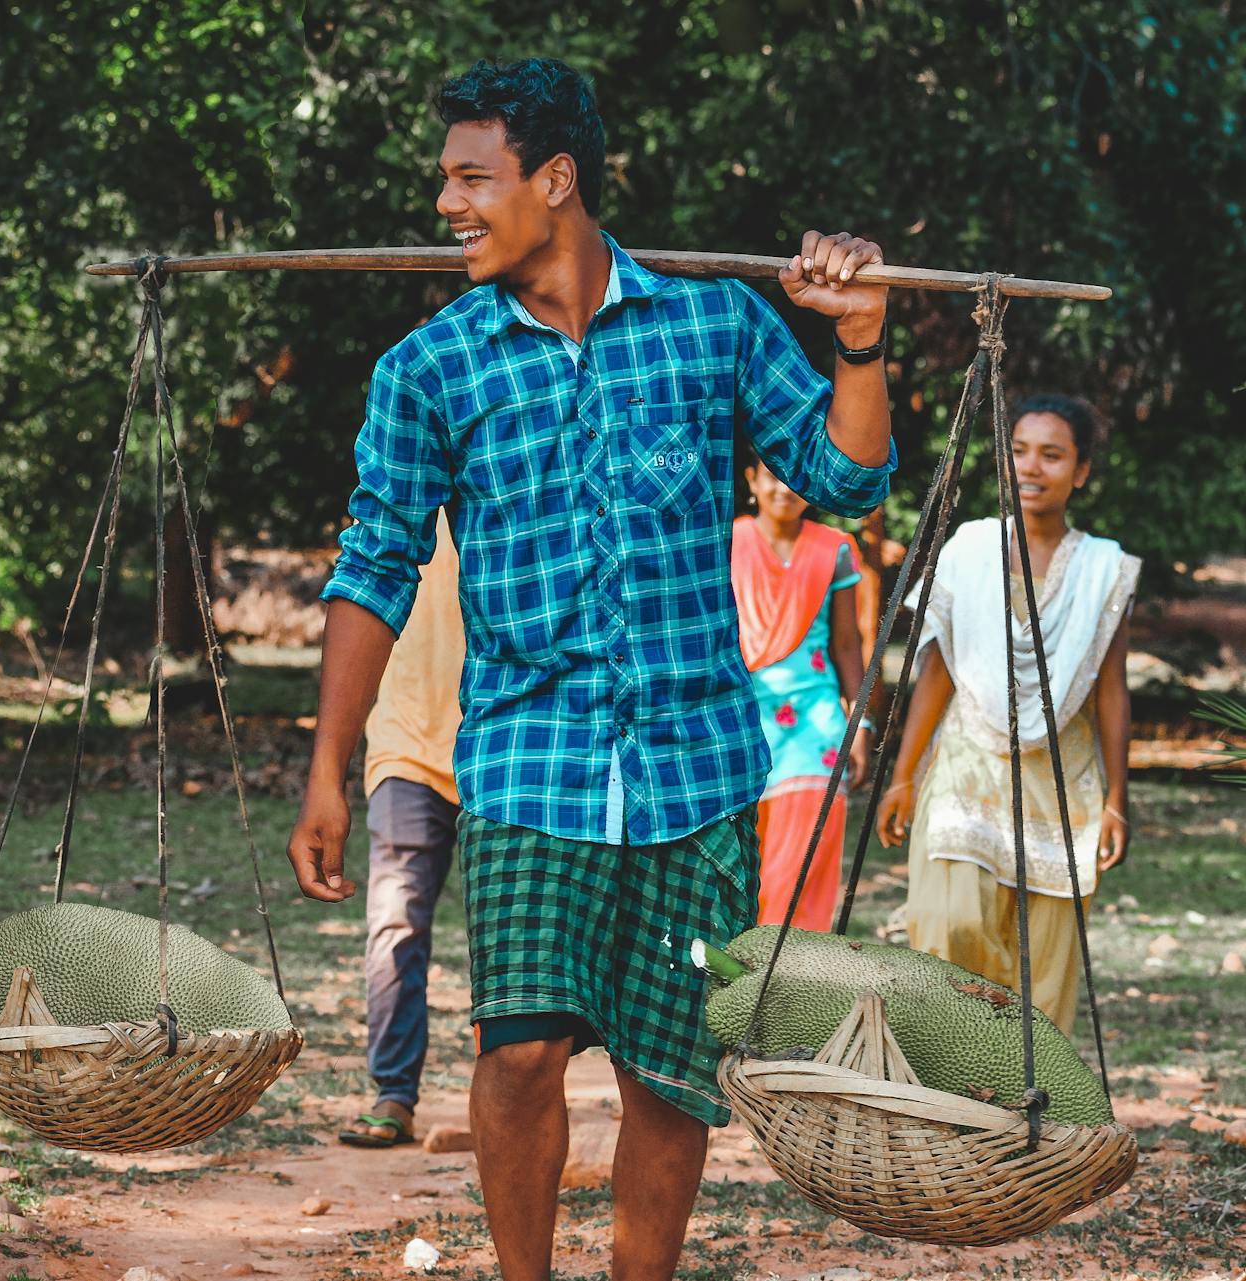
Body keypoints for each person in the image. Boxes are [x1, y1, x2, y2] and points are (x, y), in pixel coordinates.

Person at [284, 57, 894, 1281]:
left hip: (697, 772)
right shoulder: (432, 369)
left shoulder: (713, 325)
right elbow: (373, 569)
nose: (448, 205)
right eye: (446, 181)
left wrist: (862, 345)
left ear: (554, 180)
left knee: (671, 1073)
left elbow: (845, 479)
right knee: (515, 1050)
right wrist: (328, 769)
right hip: (526, 759)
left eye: (473, 178)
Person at [876, 394, 1138, 1035]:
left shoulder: (1104, 568)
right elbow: (937, 668)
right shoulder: (968, 549)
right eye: (1018, 451)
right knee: (948, 926)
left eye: (1052, 455)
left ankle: (1027, 1107)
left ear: (1080, 472)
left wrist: (1118, 799)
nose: (1030, 467)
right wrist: (903, 775)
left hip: (1061, 780)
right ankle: (946, 1076)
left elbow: (1111, 688)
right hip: (966, 762)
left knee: (1043, 964)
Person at [338, 511, 464, 1149]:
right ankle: (393, 1093)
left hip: (508, 746)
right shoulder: (395, 486)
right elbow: (358, 603)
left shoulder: (518, 453)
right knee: (396, 919)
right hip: (406, 746)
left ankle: (508, 1091)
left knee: (508, 936)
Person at [730, 460, 870, 930]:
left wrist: (861, 724)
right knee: (748, 869)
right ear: (752, 481)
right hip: (742, 725)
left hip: (817, 730)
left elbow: (848, 645)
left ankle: (789, 981)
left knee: (798, 872)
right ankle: (742, 985)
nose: (783, 489)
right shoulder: (726, 542)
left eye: (793, 478)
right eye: (770, 476)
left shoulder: (836, 550)